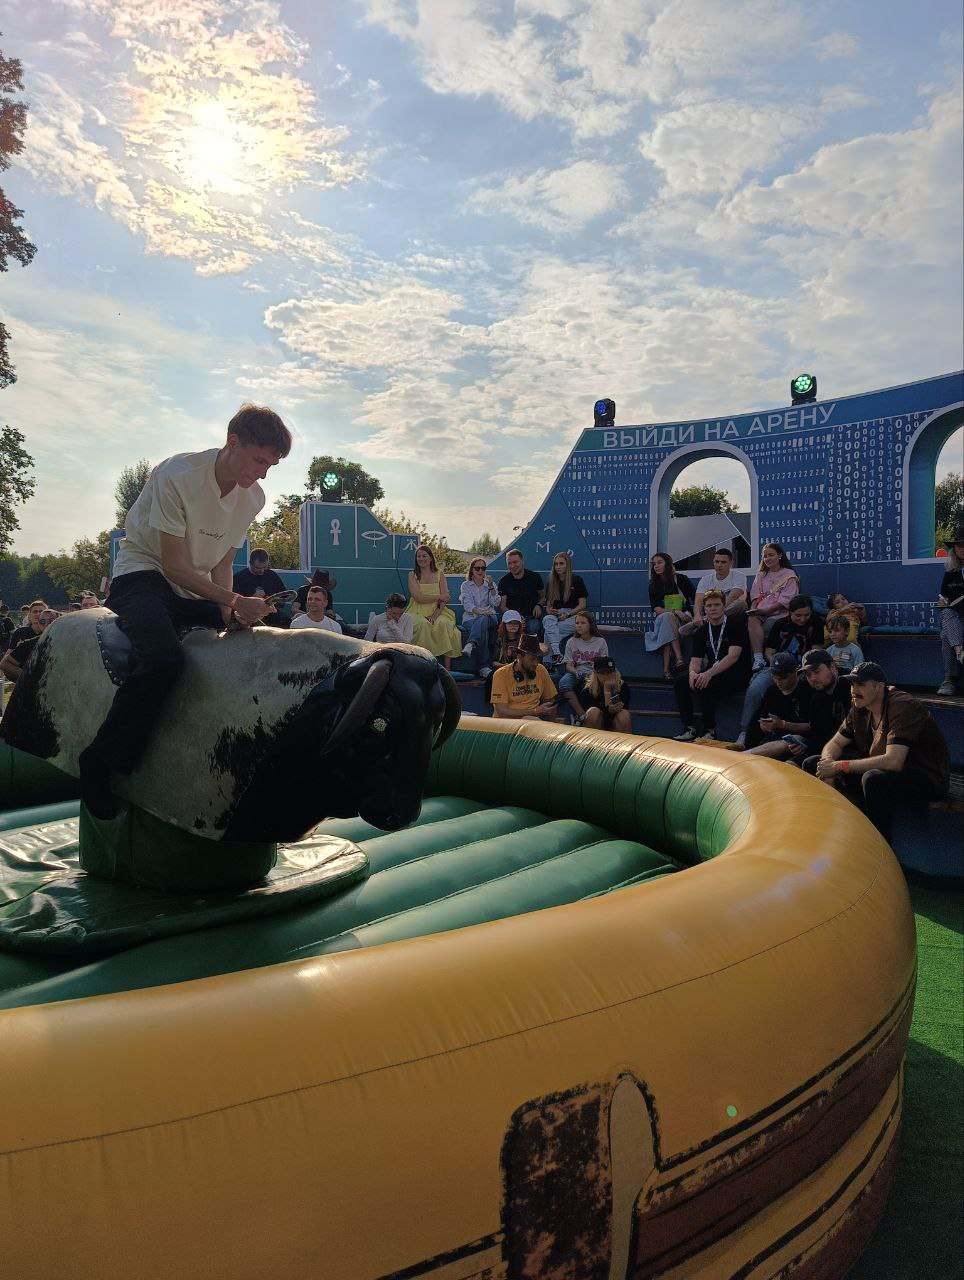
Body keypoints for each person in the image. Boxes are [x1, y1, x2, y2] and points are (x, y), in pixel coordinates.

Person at [77, 403, 291, 819]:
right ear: (233, 443)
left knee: (253, 644)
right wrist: (234, 601)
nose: (264, 473)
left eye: (271, 465)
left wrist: (229, 613)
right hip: (144, 575)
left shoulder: (254, 498)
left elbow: (223, 563)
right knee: (163, 659)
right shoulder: (177, 474)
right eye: (259, 461)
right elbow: (173, 566)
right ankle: (99, 761)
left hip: (194, 588)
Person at [806, 661, 950, 840]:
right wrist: (828, 763)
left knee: (873, 779)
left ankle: (879, 845)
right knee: (813, 763)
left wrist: (838, 766)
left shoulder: (903, 705)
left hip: (926, 775)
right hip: (887, 770)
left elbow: (894, 761)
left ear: (879, 687)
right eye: (852, 684)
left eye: (860, 684)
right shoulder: (859, 705)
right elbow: (835, 743)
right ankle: (841, 826)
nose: (854, 690)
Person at [735, 595, 822, 747]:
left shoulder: (816, 623)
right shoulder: (780, 625)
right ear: (790, 612)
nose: (803, 619)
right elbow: (769, 652)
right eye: (798, 615)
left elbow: (816, 652)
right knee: (755, 689)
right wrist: (778, 663)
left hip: (802, 669)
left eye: (806, 615)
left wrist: (800, 668)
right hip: (777, 666)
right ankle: (744, 732)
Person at [673, 588, 750, 742]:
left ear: (723, 606)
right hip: (713, 671)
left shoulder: (736, 626)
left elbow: (733, 656)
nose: (713, 609)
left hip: (736, 673)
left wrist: (707, 674)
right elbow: (696, 660)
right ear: (705, 609)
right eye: (709, 606)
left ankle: (709, 730)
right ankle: (689, 727)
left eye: (717, 605)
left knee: (706, 682)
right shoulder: (702, 631)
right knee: (681, 681)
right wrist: (693, 673)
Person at [743, 652, 812, 759]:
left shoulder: (807, 691)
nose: (778, 682)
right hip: (772, 738)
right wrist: (765, 726)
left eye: (783, 678)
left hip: (799, 741)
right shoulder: (771, 691)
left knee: (790, 741)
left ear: (796, 671)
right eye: (775, 677)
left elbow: (813, 726)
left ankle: (744, 756)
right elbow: (759, 721)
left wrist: (783, 725)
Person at [746, 543, 800, 672]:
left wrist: (766, 611)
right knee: (751, 620)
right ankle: (758, 659)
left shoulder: (789, 574)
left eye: (771, 555)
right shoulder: (761, 575)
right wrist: (753, 609)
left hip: (779, 614)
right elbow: (755, 595)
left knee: (767, 627)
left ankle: (768, 664)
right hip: (759, 612)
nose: (767, 558)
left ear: (779, 556)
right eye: (765, 556)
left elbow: (786, 600)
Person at [405, 544, 461, 669]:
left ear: (431, 558)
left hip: (438, 611)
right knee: (423, 625)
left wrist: (435, 616)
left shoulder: (440, 574)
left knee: (444, 624)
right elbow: (418, 597)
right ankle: (421, 664)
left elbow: (445, 599)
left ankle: (447, 669)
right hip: (416, 611)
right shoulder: (412, 575)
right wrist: (439, 596)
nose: (421, 559)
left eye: (424, 556)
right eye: (418, 556)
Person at [645, 551, 695, 680]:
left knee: (666, 628)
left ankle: (666, 670)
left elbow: (696, 598)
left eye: (659, 562)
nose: (656, 566)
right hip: (664, 618)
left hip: (684, 618)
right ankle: (679, 658)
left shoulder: (681, 579)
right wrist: (675, 612)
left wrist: (690, 615)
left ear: (668, 564)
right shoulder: (653, 585)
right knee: (668, 618)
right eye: (654, 564)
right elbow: (657, 609)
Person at [490, 633, 559, 721]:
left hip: (532, 721)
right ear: (519, 657)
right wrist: (534, 712)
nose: (536, 663)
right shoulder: (501, 674)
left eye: (537, 659)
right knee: (531, 719)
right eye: (532, 659)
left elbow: (550, 702)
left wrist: (552, 724)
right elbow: (502, 712)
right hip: (507, 723)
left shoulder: (541, 669)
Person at [800, 647, 855, 757]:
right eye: (808, 675)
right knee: (793, 762)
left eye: (816, 672)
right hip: (828, 751)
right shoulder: (816, 698)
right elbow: (818, 735)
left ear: (833, 667)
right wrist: (803, 745)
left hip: (855, 751)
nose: (813, 678)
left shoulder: (853, 687)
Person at [679, 547, 746, 636]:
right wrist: (697, 616)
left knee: (741, 604)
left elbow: (733, 597)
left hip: (732, 610)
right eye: (716, 562)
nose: (719, 565)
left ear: (731, 563)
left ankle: (705, 620)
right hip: (711, 610)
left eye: (723, 562)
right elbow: (698, 600)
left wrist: (717, 611)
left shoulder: (739, 576)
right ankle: (703, 620)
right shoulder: (705, 579)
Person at [558, 611, 608, 720]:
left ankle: (595, 716)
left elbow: (604, 665)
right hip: (577, 672)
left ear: (590, 624)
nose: (579, 625)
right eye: (577, 623)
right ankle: (581, 715)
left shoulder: (600, 641)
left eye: (583, 623)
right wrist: (576, 672)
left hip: (595, 673)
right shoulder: (571, 641)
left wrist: (593, 675)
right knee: (564, 683)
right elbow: (568, 665)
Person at [541, 552, 588, 663]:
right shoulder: (551, 582)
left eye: (561, 563)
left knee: (549, 632)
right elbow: (548, 608)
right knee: (547, 619)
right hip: (556, 616)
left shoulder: (576, 580)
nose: (558, 567)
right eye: (556, 564)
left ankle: (548, 662)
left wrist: (567, 615)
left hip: (574, 616)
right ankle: (556, 655)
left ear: (568, 565)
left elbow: (582, 605)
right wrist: (551, 611)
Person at [459, 557, 500, 679]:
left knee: (485, 619)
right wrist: (481, 612)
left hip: (491, 617)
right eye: (477, 568)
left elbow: (496, 602)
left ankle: (471, 643)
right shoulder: (466, 585)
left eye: (483, 568)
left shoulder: (491, 584)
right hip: (471, 618)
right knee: (483, 624)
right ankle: (484, 667)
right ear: (472, 570)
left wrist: (491, 587)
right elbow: (468, 605)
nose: (480, 571)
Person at [936, 525, 964, 696]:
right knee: (947, 613)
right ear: (954, 549)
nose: (962, 549)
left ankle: (949, 681)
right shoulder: (951, 572)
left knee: (945, 635)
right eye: (959, 545)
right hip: (957, 617)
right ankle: (960, 652)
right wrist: (942, 602)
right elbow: (944, 596)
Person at [233, 548, 288, 629]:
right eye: (258, 568)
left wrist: (273, 600)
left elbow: (284, 596)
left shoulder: (272, 575)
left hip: (271, 615)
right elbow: (233, 601)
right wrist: (252, 597)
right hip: (249, 616)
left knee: (286, 621)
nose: (262, 571)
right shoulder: (239, 577)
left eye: (264, 567)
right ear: (250, 563)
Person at [0, 608, 58, 682]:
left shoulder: (67, 641)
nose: (46, 624)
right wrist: (29, 677)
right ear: (38, 623)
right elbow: (4, 663)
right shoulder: (29, 642)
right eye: (42, 621)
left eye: (51, 621)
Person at [578, 656, 632, 733]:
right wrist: (607, 692)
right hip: (597, 727)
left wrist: (614, 709)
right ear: (595, 673)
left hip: (616, 724)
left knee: (624, 715)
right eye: (603, 673)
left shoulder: (623, 687)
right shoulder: (588, 689)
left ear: (615, 672)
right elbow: (589, 714)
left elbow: (624, 708)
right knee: (593, 712)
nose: (607, 676)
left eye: (610, 672)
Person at [497, 549, 545, 635]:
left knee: (533, 627)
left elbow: (543, 597)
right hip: (512, 619)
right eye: (509, 563)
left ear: (522, 561)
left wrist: (539, 605)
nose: (512, 566)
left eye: (515, 562)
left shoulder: (535, 577)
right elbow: (502, 607)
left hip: (531, 617)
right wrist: (515, 616)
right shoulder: (504, 581)